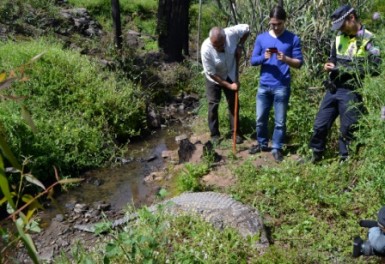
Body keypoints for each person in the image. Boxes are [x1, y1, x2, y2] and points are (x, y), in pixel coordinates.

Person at [308, 4, 381, 163]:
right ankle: (315, 154)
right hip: (333, 88)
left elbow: (376, 68)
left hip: (351, 90)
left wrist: (343, 69)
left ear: (352, 18)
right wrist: (328, 64)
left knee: (348, 128)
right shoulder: (339, 37)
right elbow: (333, 59)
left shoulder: (369, 39)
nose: (341, 29)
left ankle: (345, 160)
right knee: (320, 123)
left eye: (342, 25)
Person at [249, 6, 303, 162]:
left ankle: (277, 147)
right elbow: (253, 61)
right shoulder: (261, 38)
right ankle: (262, 143)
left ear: (284, 22)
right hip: (264, 84)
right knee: (260, 118)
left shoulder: (293, 39)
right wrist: (264, 58)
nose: (276, 27)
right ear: (269, 21)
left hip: (282, 85)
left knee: (280, 121)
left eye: (279, 24)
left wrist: (285, 59)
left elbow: (299, 63)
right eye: (273, 24)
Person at [200, 24, 250, 144]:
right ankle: (215, 134)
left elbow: (247, 29)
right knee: (213, 104)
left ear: (225, 39)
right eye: (215, 45)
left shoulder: (231, 34)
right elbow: (212, 74)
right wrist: (229, 86)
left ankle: (236, 133)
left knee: (234, 103)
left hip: (230, 73)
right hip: (214, 78)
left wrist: (240, 45)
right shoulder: (206, 49)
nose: (218, 48)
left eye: (220, 45)